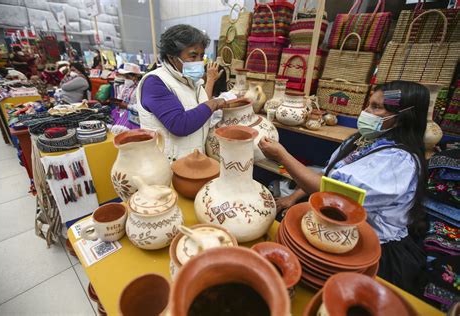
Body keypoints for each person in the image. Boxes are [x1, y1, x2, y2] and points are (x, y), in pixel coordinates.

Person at [258, 80, 429, 296]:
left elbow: (331, 194)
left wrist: (282, 155)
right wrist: (292, 198)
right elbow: (328, 175)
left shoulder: (397, 162)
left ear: (402, 116)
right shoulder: (363, 141)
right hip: (336, 226)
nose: (365, 112)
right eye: (369, 104)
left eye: (376, 107)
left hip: (369, 246)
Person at [137, 24, 228, 161]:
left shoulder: (192, 82)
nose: (199, 61)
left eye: (201, 56)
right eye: (193, 56)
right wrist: (213, 104)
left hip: (192, 161)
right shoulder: (155, 82)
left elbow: (199, 111)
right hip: (166, 167)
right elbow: (179, 124)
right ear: (172, 56)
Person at [110, 62, 142, 134]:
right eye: (125, 77)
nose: (126, 79)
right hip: (121, 115)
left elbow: (142, 107)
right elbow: (120, 97)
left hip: (134, 119)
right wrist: (118, 102)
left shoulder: (140, 89)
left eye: (128, 77)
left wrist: (127, 106)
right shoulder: (124, 87)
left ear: (135, 77)